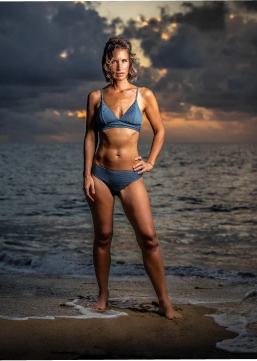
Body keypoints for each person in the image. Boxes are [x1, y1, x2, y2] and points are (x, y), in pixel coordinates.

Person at [82, 35, 182, 320]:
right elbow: (90, 136)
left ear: (131, 63)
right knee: (103, 236)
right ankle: (103, 295)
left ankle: (164, 302)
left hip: (130, 175)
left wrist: (150, 162)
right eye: (114, 60)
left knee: (149, 238)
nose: (119, 66)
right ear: (107, 64)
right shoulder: (95, 97)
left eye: (124, 60)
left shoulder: (144, 95)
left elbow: (160, 131)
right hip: (100, 174)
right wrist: (87, 174)